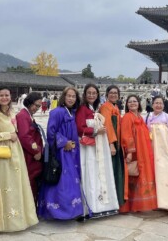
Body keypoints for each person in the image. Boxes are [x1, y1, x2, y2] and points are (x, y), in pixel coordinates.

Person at [0, 87, 38, 232]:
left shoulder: (12, 112)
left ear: (10, 97)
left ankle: (19, 218)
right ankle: (2, 222)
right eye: (1, 95)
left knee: (16, 183)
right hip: (1, 152)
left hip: (15, 151)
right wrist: (8, 135)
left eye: (6, 95)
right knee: (4, 184)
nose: (4, 98)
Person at [38, 86, 83, 220]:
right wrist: (64, 143)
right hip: (60, 153)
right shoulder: (57, 112)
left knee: (70, 182)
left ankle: (71, 210)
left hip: (71, 152)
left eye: (73, 96)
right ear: (64, 97)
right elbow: (50, 133)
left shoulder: (72, 113)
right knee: (59, 182)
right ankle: (56, 210)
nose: (71, 99)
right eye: (68, 96)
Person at [76, 84, 119, 218]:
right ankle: (91, 205)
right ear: (84, 94)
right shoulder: (82, 109)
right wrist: (95, 131)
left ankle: (101, 204)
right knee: (90, 172)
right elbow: (79, 127)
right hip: (88, 147)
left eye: (94, 93)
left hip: (98, 145)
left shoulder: (96, 109)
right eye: (89, 93)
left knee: (97, 172)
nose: (91, 95)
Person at [120, 94, 158, 213]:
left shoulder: (140, 118)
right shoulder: (127, 117)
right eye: (130, 102)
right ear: (127, 104)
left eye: (135, 101)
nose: (132, 103)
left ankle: (140, 203)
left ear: (139, 103)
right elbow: (127, 135)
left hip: (144, 151)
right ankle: (132, 204)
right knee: (134, 176)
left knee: (141, 175)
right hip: (135, 151)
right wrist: (130, 152)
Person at [146, 95, 168, 213]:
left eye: (160, 103)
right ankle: (154, 202)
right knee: (153, 174)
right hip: (151, 150)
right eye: (156, 103)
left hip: (165, 150)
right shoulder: (147, 117)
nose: (158, 105)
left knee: (166, 174)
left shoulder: (167, 118)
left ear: (164, 105)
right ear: (152, 105)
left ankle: (167, 203)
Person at [100, 85, 128, 207]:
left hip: (118, 143)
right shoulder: (105, 107)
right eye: (111, 93)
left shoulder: (115, 107)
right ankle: (111, 201)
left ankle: (117, 199)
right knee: (111, 171)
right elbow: (108, 125)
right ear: (106, 94)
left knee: (117, 170)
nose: (113, 95)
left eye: (115, 93)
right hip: (111, 143)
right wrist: (111, 144)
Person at [16, 92, 45, 201]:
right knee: (30, 180)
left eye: (39, 106)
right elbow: (24, 137)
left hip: (32, 155)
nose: (37, 108)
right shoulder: (23, 116)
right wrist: (37, 151)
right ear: (29, 102)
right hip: (29, 155)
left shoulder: (28, 115)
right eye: (36, 105)